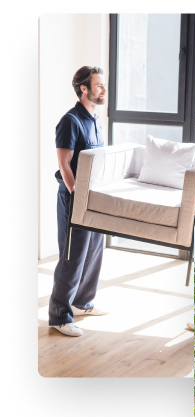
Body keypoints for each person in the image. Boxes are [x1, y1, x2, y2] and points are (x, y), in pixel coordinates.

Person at [48, 66, 109, 337]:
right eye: (99, 86)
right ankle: (60, 316)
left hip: (93, 198)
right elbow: (64, 164)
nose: (103, 90)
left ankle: (82, 302)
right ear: (83, 89)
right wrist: (76, 196)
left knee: (94, 250)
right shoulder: (70, 121)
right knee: (72, 257)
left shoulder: (95, 119)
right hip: (75, 198)